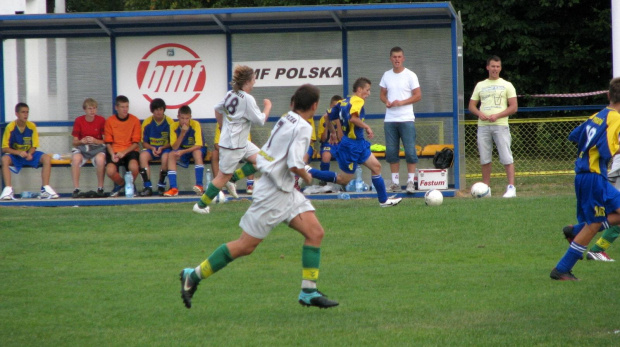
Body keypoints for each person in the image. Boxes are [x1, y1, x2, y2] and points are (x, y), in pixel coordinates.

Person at [179, 84, 338, 309]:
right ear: (314, 106)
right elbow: (294, 164)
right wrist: (307, 176)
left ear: (294, 102)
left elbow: (265, 156)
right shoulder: (303, 126)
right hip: (273, 194)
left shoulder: (286, 118)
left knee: (315, 232)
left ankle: (308, 291)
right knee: (245, 246)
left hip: (285, 191)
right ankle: (193, 275)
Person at [550, 77, 620, 280]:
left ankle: (574, 230)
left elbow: (575, 135)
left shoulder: (598, 115)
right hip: (593, 177)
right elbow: (608, 148)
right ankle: (561, 269)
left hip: (590, 176)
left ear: (608, 95)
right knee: (594, 224)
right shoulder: (615, 118)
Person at [306, 77, 402, 207]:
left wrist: (333, 132)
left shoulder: (344, 101)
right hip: (351, 146)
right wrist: (366, 126)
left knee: (376, 167)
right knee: (343, 179)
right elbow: (353, 119)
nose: (368, 93)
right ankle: (308, 170)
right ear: (359, 89)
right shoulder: (358, 101)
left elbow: (327, 116)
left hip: (359, 143)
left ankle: (383, 201)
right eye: (367, 90)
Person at [193, 65, 270, 213]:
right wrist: (268, 106)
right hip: (233, 146)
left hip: (240, 142)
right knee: (222, 177)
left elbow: (217, 109)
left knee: (263, 160)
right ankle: (200, 205)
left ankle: (232, 179)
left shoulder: (230, 94)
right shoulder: (247, 99)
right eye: (254, 78)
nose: (255, 81)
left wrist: (223, 127)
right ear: (247, 81)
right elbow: (260, 120)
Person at [468, 55, 518, 198]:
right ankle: (486, 188)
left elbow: (513, 107)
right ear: (487, 67)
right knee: (485, 158)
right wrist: (480, 114)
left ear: (500, 68)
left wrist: (498, 115)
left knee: (506, 156)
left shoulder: (507, 85)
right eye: (492, 66)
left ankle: (511, 187)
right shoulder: (480, 85)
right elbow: (472, 106)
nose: (495, 69)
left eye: (497, 66)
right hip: (483, 126)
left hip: (500, 125)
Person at [379, 46, 422, 194]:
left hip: (406, 119)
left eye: (399, 57)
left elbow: (418, 95)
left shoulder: (410, 75)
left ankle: (410, 182)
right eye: (394, 57)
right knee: (391, 152)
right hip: (390, 119)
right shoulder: (386, 75)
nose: (397, 59)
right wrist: (387, 102)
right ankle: (395, 183)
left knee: (410, 151)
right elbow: (382, 94)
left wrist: (401, 102)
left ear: (403, 58)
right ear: (390, 58)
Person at [1, 102, 59, 200]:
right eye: (23, 112)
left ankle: (45, 188)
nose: (26, 115)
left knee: (46, 158)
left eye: (27, 112)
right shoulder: (10, 127)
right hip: (15, 155)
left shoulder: (31, 126)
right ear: (17, 114)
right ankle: (8, 190)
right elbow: (4, 148)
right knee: (4, 159)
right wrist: (18, 153)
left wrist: (30, 154)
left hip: (29, 154)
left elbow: (34, 145)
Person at [162, 105, 206, 197]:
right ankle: (174, 188)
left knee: (196, 153)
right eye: (182, 118)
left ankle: (199, 185)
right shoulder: (173, 126)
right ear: (178, 117)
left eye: (187, 118)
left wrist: (183, 152)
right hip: (182, 148)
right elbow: (174, 147)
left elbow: (198, 145)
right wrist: (182, 133)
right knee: (171, 154)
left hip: (196, 149)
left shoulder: (195, 124)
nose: (184, 121)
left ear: (190, 117)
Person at [104, 95, 142, 197]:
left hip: (129, 150)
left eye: (127, 107)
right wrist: (112, 154)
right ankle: (123, 184)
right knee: (110, 171)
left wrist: (124, 152)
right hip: (115, 150)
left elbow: (135, 143)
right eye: (122, 107)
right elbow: (108, 142)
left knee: (134, 167)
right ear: (116, 108)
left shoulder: (134, 120)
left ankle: (129, 186)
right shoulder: (110, 121)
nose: (125, 109)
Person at [70, 98, 106, 198]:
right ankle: (76, 189)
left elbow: (105, 141)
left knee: (101, 159)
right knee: (76, 159)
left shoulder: (101, 120)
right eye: (90, 108)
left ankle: (100, 188)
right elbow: (74, 142)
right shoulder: (79, 120)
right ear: (85, 110)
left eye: (94, 108)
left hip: (97, 148)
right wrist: (82, 141)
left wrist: (95, 141)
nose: (92, 111)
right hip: (83, 148)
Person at [138, 98, 174, 196]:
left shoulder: (170, 122)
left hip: (165, 149)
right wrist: (152, 148)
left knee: (166, 157)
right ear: (152, 110)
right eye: (156, 109)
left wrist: (162, 148)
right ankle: (147, 187)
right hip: (151, 149)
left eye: (161, 109)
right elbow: (144, 143)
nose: (159, 112)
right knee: (142, 156)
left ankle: (161, 185)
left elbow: (173, 142)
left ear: (164, 110)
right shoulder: (147, 122)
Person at [212, 124, 256, 195]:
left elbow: (248, 143)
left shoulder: (244, 120)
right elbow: (217, 144)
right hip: (227, 150)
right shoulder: (222, 122)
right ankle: (218, 187)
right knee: (215, 154)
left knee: (258, 159)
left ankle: (248, 184)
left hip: (242, 148)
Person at [317, 95, 343, 186]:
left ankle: (345, 181)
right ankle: (323, 180)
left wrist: (338, 123)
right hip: (328, 144)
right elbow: (323, 139)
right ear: (331, 107)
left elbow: (341, 138)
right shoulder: (323, 119)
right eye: (335, 107)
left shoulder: (343, 119)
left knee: (348, 155)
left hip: (341, 145)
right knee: (326, 155)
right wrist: (327, 124)